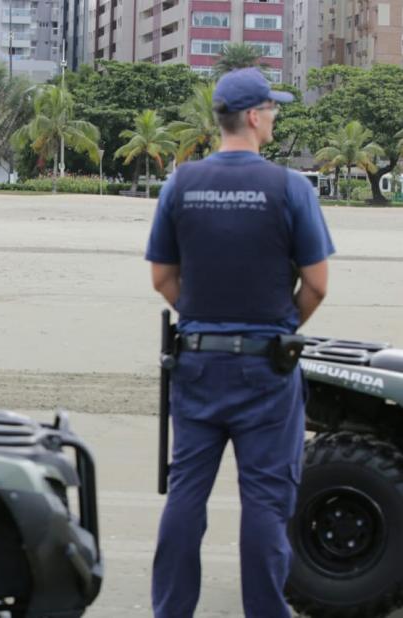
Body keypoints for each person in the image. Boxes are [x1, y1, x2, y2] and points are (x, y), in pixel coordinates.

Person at [145, 68, 334, 618]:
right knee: (265, 504)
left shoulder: (181, 183)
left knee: (186, 497)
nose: (274, 117)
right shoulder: (290, 187)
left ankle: (172, 611)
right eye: (271, 110)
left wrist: (205, 321)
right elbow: (317, 283)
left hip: (198, 363)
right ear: (253, 117)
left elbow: (162, 277)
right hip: (266, 369)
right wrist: (276, 326)